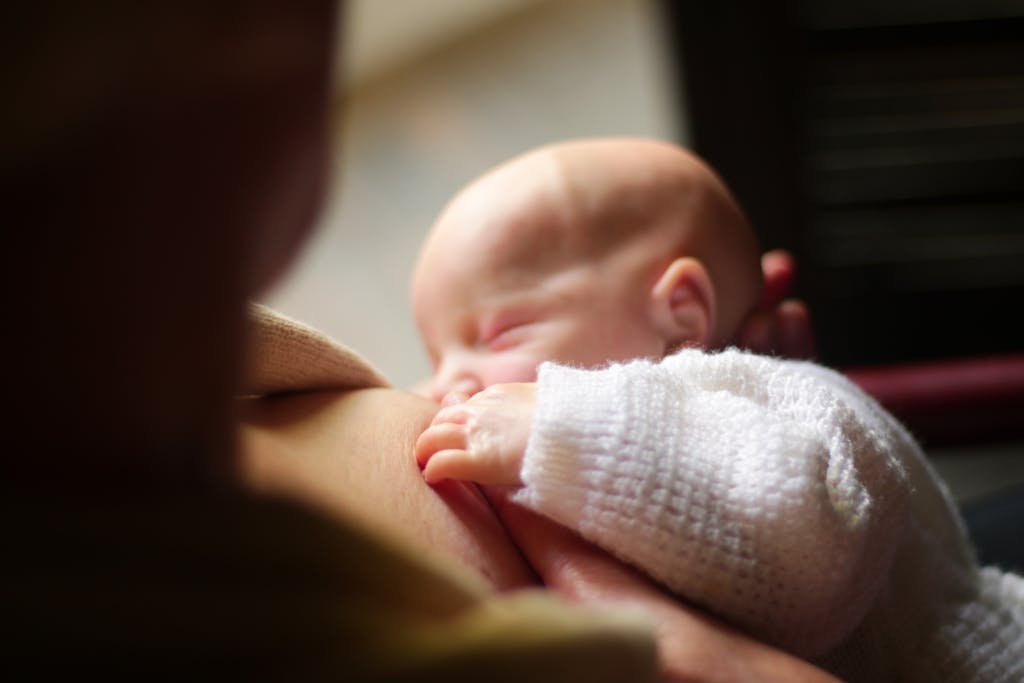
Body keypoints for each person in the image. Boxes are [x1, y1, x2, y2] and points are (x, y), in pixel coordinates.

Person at [3, 4, 840, 682]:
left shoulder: (125, 364)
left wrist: (717, 427)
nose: (448, 386)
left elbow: (814, 517)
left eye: (496, 332)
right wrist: (703, 656)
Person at [412, 138, 1024, 681]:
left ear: (680, 312)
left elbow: (806, 564)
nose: (447, 382)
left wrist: (560, 430)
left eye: (498, 334)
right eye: (436, 356)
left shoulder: (796, 399)